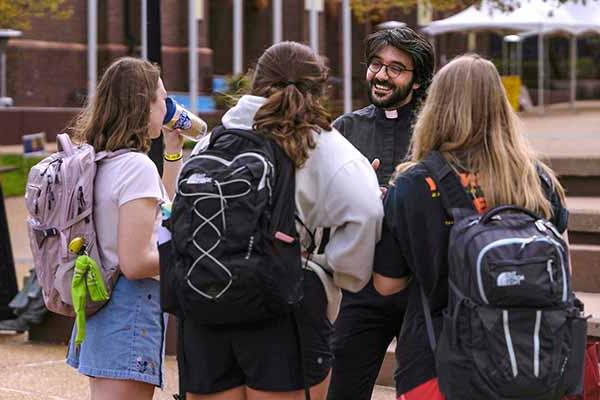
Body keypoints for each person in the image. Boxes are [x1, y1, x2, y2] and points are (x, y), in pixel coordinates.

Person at [179, 41, 383, 400]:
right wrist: (341, 275)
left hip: (207, 298)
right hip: (288, 303)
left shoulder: (212, 141)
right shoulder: (325, 146)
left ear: (254, 82)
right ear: (319, 90)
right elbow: (366, 211)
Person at [372, 54, 569, 399]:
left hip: (436, 364)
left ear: (435, 106)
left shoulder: (414, 184)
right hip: (527, 363)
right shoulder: (537, 180)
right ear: (500, 107)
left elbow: (388, 285)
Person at [65, 57, 184, 400]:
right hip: (129, 308)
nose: (167, 106)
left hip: (100, 301)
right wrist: (190, 256)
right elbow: (136, 262)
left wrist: (173, 154)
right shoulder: (135, 167)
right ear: (142, 104)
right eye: (161, 98)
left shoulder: (100, 158)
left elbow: (159, 214)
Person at [327, 26, 435, 400]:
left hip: (421, 287)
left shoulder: (434, 132)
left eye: (396, 68)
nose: (382, 75)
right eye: (376, 64)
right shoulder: (343, 130)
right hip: (361, 287)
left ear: (417, 80)